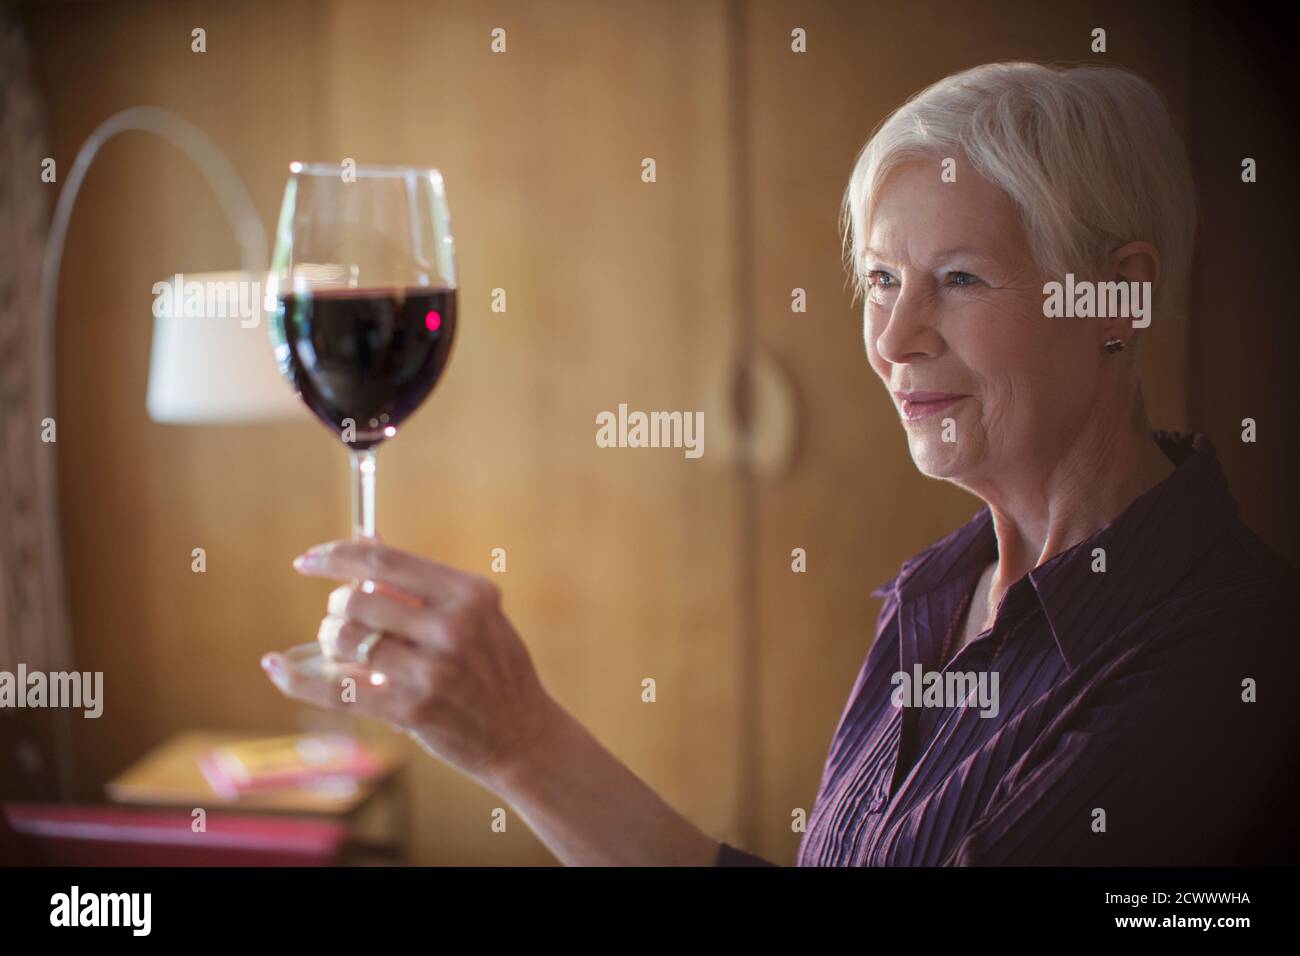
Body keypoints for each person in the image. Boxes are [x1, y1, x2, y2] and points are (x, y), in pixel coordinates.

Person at [262, 62, 1300, 866]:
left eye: (960, 278)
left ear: (1117, 299)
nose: (893, 338)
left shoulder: (1225, 659)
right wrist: (512, 748)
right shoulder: (941, 592)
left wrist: (524, 741)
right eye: (882, 278)